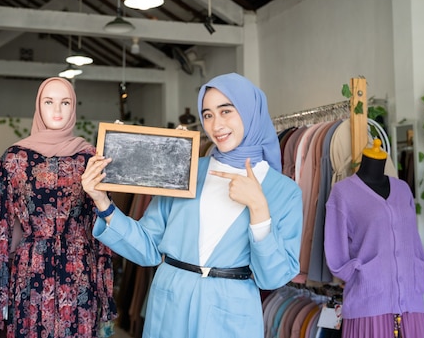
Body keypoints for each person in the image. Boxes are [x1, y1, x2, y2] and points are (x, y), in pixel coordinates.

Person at [81, 72, 303, 338]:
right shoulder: (187, 172)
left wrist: (259, 210)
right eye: (207, 114)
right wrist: (102, 201)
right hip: (171, 301)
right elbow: (148, 248)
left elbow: (273, 279)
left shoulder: (284, 191)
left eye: (226, 111)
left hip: (232, 310)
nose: (216, 124)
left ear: (250, 111)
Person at [0, 77, 117, 338]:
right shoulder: (14, 159)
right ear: (39, 105)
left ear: (73, 107)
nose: (57, 110)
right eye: (49, 102)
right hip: (30, 271)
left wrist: (105, 294)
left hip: (80, 272)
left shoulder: (91, 158)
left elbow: (102, 225)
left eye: (65, 102)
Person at [324, 139, 424, 338]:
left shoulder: (403, 189)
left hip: (411, 301)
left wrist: (418, 268)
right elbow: (335, 250)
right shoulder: (343, 193)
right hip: (368, 303)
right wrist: (361, 273)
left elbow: (413, 240)